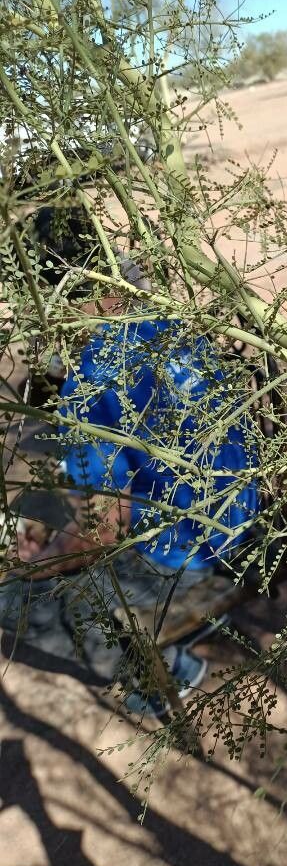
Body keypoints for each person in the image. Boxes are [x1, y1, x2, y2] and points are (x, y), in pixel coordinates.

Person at [1, 205, 259, 716]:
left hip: (192, 557)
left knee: (13, 601)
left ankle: (171, 670)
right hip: (245, 521)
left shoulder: (93, 375)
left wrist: (33, 565)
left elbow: (103, 528)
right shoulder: (169, 322)